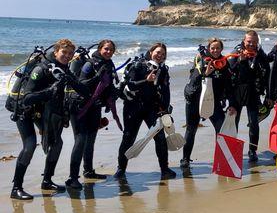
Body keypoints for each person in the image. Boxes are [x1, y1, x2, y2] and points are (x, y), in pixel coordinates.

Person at [10, 39, 88, 200]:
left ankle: (47, 180)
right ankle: (16, 188)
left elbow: (85, 91)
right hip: (25, 110)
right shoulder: (41, 68)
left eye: (70, 54)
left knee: (57, 143)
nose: (66, 56)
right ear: (56, 51)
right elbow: (27, 98)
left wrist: (73, 81)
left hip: (41, 112)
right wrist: (49, 91)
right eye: (63, 52)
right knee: (30, 145)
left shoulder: (64, 69)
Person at [114, 43, 176, 179]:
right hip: (133, 107)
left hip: (151, 108)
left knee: (160, 138)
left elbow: (165, 91)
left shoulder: (163, 70)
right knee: (128, 138)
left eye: (163, 54)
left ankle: (164, 169)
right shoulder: (138, 65)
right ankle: (121, 169)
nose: (160, 55)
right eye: (157, 52)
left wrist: (165, 111)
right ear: (151, 51)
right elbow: (130, 85)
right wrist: (146, 80)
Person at [66, 39, 118, 189]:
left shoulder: (108, 64)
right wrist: (96, 77)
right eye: (106, 49)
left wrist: (110, 100)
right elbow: (80, 84)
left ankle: (88, 171)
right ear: (100, 49)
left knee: (91, 140)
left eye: (111, 50)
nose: (108, 52)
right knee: (80, 141)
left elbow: (107, 86)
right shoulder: (90, 64)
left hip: (95, 107)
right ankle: (72, 178)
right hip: (79, 107)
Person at [181, 38, 234, 169]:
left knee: (221, 129)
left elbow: (229, 86)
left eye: (218, 48)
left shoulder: (224, 63)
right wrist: (204, 74)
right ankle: (185, 159)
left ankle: (221, 159)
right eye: (212, 48)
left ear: (221, 49)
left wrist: (231, 103)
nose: (215, 50)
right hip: (195, 101)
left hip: (213, 102)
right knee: (191, 130)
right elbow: (192, 81)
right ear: (209, 48)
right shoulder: (201, 59)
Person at [227, 30, 270, 162]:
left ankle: (252, 151)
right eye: (249, 41)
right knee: (234, 123)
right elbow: (228, 72)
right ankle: (232, 150)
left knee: (254, 123)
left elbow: (267, 72)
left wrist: (269, 94)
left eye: (254, 42)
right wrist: (240, 61)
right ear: (244, 41)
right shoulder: (236, 52)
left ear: (257, 42)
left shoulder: (260, 54)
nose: (251, 44)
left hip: (253, 93)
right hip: (237, 93)